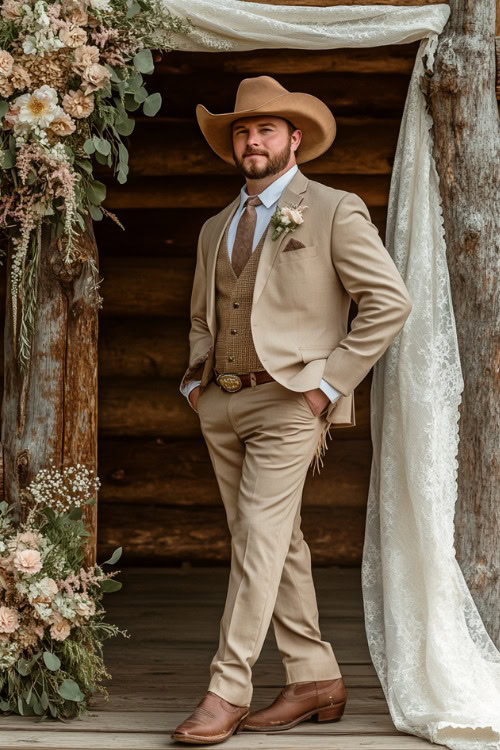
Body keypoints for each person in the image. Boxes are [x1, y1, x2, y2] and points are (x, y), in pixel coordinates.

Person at [171, 75, 412, 745]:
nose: (253, 139)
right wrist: (197, 384)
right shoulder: (216, 226)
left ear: (293, 139)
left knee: (256, 536)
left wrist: (327, 385)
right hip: (221, 403)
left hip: (291, 402)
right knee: (279, 543)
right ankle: (314, 678)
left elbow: (389, 302)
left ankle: (228, 688)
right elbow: (202, 314)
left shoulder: (334, 208)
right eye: (243, 131)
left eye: (266, 129)